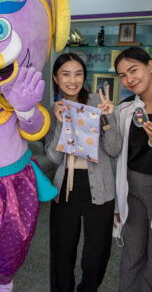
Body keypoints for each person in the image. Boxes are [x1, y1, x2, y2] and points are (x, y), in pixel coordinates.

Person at [44, 52, 122, 292]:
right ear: (56, 78)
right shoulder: (52, 110)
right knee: (62, 249)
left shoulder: (98, 104)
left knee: (97, 251)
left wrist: (107, 118)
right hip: (66, 186)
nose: (72, 80)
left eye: (78, 74)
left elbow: (114, 148)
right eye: (66, 74)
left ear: (84, 77)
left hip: (99, 184)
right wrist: (60, 124)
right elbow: (54, 158)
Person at [114, 47, 152, 292]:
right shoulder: (125, 109)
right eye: (123, 75)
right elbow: (115, 150)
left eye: (133, 70)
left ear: (150, 66)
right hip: (132, 187)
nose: (129, 79)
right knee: (133, 251)